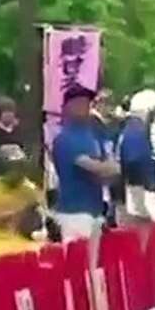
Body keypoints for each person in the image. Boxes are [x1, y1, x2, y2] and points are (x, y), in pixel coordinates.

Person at [52, 84, 119, 249]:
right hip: (74, 213)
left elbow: (107, 170)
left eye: (87, 103)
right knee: (77, 266)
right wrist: (110, 168)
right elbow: (92, 166)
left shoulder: (92, 135)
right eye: (79, 102)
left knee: (94, 266)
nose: (84, 107)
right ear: (68, 106)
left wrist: (109, 170)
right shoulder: (64, 139)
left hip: (95, 209)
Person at [118, 89, 155, 225]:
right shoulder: (136, 131)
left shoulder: (133, 129)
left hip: (134, 192)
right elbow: (134, 160)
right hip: (139, 193)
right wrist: (149, 186)